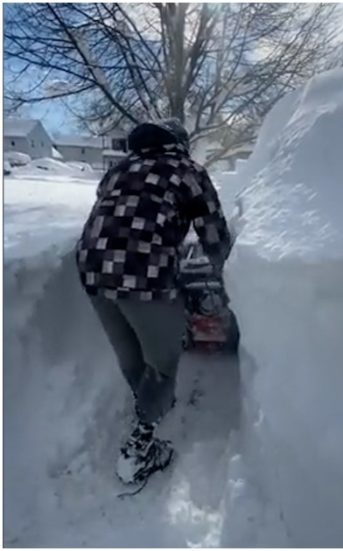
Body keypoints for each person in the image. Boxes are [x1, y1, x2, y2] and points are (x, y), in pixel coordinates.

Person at [75, 118, 232, 485]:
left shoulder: (118, 169)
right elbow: (212, 231)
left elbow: (118, 214)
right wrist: (227, 270)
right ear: (180, 143)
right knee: (162, 361)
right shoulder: (187, 169)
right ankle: (140, 447)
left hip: (92, 267)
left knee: (129, 353)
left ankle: (147, 403)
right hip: (144, 271)